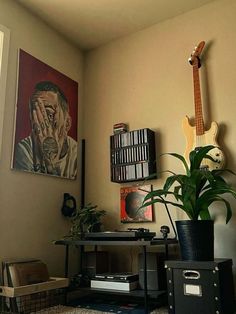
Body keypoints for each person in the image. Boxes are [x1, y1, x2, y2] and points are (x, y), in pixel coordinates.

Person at [13, 81, 77, 179]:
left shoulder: (76, 154)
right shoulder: (24, 150)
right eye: (35, 116)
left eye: (49, 115)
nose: (38, 123)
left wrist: (50, 162)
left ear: (67, 124)